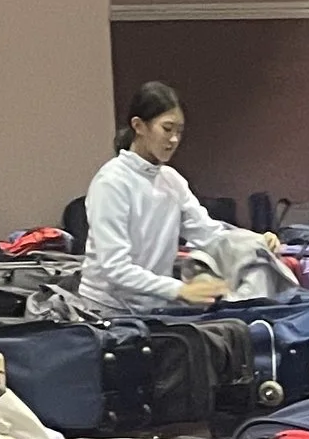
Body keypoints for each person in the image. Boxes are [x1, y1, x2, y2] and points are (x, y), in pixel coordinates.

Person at [76, 80, 280, 321]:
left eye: (179, 132)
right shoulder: (111, 182)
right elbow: (115, 267)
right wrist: (179, 289)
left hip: (151, 310)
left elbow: (210, 235)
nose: (173, 139)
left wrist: (255, 242)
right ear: (139, 126)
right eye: (167, 128)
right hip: (105, 312)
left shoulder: (171, 180)